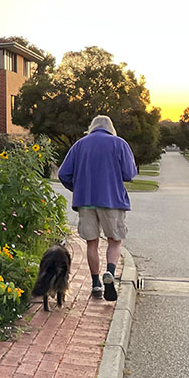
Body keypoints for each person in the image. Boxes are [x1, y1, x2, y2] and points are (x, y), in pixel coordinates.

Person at [57, 115, 137, 301]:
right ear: (111, 127)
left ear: (91, 127)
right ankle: (109, 272)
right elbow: (129, 173)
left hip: (85, 201)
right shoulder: (119, 144)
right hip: (112, 200)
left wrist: (78, 188)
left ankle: (95, 284)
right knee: (115, 240)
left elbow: (63, 173)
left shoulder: (79, 145)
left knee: (91, 243)